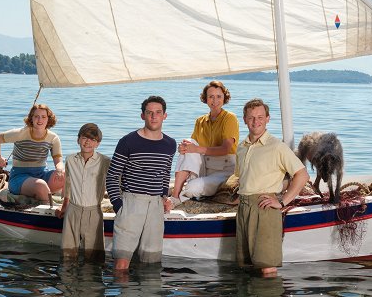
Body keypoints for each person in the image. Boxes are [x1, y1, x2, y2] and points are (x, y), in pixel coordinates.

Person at [235, 98, 309, 277]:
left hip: (264, 208)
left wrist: (282, 200)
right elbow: (241, 177)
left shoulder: (277, 147)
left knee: (267, 265)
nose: (256, 121)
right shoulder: (241, 147)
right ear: (244, 119)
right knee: (247, 265)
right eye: (251, 117)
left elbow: (302, 175)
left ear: (268, 118)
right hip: (243, 208)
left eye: (260, 117)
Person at [106, 96, 176, 272]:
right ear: (142, 115)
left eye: (158, 113)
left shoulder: (170, 144)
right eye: (149, 112)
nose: (153, 116)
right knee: (121, 264)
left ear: (164, 116)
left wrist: (163, 196)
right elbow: (112, 175)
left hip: (155, 207)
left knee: (151, 265)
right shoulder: (128, 141)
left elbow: (165, 174)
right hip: (131, 203)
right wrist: (119, 205)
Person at [170, 80, 239, 204]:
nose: (215, 100)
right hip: (204, 167)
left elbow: (225, 149)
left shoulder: (230, 118)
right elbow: (192, 149)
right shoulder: (200, 121)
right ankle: (175, 197)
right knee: (188, 142)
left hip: (224, 171)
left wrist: (195, 149)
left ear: (224, 98)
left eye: (219, 96)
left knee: (191, 188)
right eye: (211, 96)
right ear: (205, 99)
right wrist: (184, 147)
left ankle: (186, 191)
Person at [57, 122, 110, 262]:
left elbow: (116, 183)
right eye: (84, 138)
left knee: (94, 257)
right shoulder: (70, 160)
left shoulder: (105, 162)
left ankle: (91, 282)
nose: (88, 142)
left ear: (98, 143)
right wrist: (64, 207)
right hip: (72, 211)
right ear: (78, 139)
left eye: (93, 139)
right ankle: (68, 282)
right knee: (67, 255)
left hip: (94, 212)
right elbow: (68, 185)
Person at [0, 103, 65, 201]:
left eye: (43, 117)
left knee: (68, 175)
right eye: (36, 116)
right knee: (41, 185)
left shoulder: (53, 138)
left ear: (49, 119)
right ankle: (48, 210)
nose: (40, 120)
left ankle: (67, 207)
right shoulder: (20, 133)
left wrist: (60, 169)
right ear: (31, 118)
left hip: (42, 174)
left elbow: (58, 161)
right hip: (19, 177)